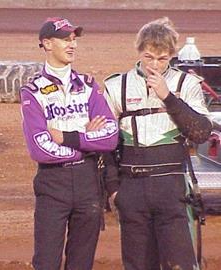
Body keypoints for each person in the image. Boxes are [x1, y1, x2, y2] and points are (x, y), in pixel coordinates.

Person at [104, 17, 212, 270]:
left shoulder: (186, 84)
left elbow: (201, 133)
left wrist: (167, 96)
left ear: (172, 56)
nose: (154, 64)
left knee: (181, 264)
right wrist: (113, 189)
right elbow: (105, 144)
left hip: (172, 186)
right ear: (139, 51)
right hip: (131, 186)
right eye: (149, 56)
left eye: (162, 59)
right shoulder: (116, 85)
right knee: (137, 264)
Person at [20, 17, 119, 270]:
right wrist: (86, 143)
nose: (72, 45)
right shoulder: (32, 90)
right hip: (53, 183)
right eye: (65, 39)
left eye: (73, 39)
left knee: (82, 263)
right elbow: (40, 147)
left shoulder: (88, 85)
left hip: (89, 183)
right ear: (46, 43)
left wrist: (68, 137)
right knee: (46, 262)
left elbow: (110, 137)